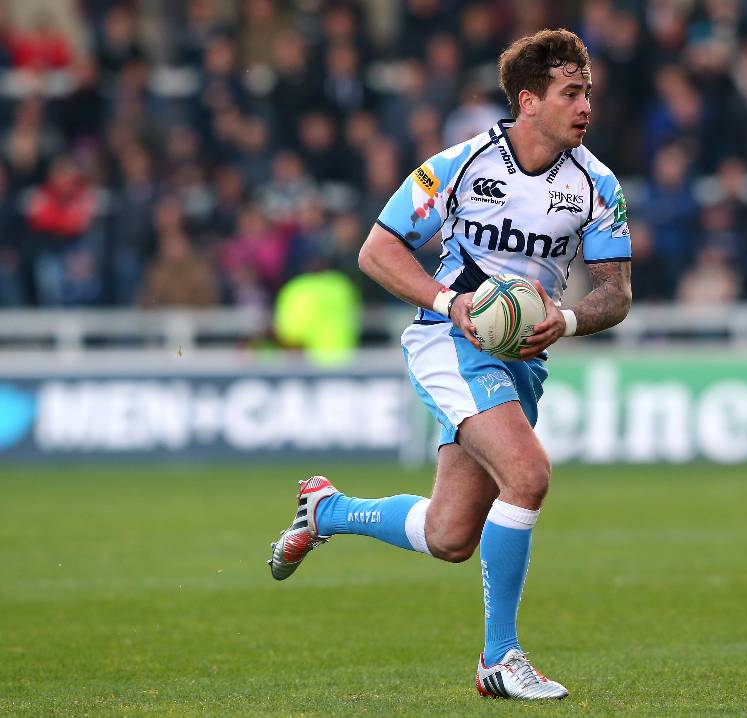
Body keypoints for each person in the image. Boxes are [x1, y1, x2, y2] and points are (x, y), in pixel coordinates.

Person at [267, 29, 631, 700]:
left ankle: (327, 510)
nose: (586, 107)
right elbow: (377, 251)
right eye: (571, 94)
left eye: (589, 94)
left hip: (523, 356)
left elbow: (617, 292)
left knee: (450, 534)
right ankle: (499, 658)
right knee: (528, 473)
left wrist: (572, 318)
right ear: (529, 101)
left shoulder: (597, 185)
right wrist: (450, 301)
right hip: (448, 338)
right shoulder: (458, 165)